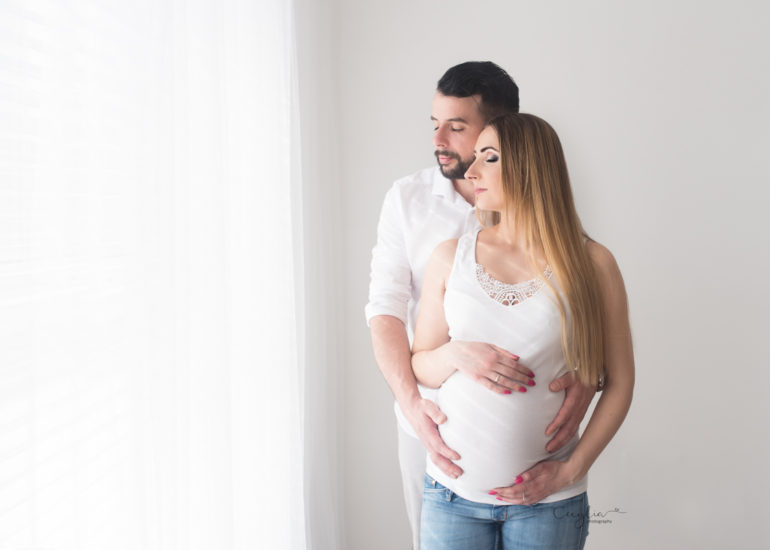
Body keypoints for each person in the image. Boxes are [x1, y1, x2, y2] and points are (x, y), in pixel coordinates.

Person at [366, 62, 599, 549]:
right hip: (434, 436)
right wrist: (414, 406)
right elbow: (384, 309)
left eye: (457, 126)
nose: (440, 140)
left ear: (502, 130)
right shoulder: (409, 200)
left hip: (542, 482)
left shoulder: (555, 230)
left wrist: (589, 372)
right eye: (435, 124)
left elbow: (575, 325)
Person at [411, 113, 635, 549]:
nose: (471, 171)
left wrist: (570, 471)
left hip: (550, 502)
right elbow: (421, 364)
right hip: (451, 496)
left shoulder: (593, 264)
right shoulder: (449, 257)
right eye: (473, 158)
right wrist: (456, 354)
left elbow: (621, 383)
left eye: (488, 158)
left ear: (531, 167)